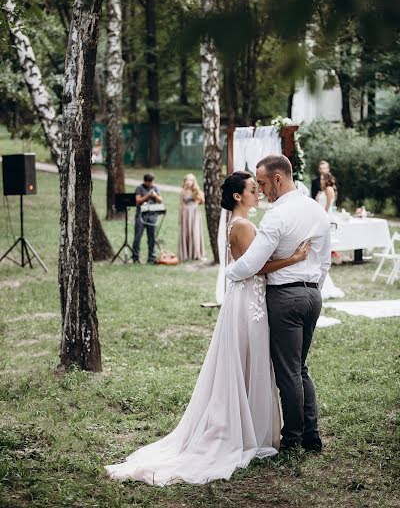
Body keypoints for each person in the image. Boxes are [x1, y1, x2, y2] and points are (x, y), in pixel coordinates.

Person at [105, 171, 312, 485]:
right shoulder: (242, 225)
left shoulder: (238, 223)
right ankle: (248, 432)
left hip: (249, 300)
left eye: (259, 189)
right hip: (249, 306)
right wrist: (293, 258)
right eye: (253, 190)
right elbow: (256, 266)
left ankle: (252, 428)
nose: (258, 194)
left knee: (250, 364)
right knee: (250, 364)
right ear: (239, 196)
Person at [226, 155, 331, 452]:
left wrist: (229, 271)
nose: (261, 190)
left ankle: (294, 437)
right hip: (313, 296)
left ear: (277, 179)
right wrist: (312, 288)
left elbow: (252, 263)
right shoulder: (316, 210)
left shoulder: (277, 216)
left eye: (261, 183)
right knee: (300, 368)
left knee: (288, 371)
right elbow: (324, 261)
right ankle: (311, 436)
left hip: (285, 298)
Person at [133, 174, 163, 264]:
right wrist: (148, 195)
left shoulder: (155, 188)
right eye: (149, 182)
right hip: (141, 215)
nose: (151, 184)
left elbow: (160, 200)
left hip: (152, 215)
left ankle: (151, 258)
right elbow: (138, 201)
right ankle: (135, 257)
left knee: (152, 237)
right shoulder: (139, 188)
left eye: (152, 182)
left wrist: (154, 196)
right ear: (145, 181)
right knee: (138, 236)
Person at [178, 173, 206, 262]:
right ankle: (186, 254)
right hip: (186, 214)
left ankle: (196, 254)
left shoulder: (196, 191)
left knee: (195, 232)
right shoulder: (183, 191)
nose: (188, 182)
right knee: (186, 232)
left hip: (194, 214)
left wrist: (197, 194)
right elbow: (181, 205)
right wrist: (180, 217)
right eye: (187, 180)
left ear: (194, 182)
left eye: (191, 180)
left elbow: (202, 201)